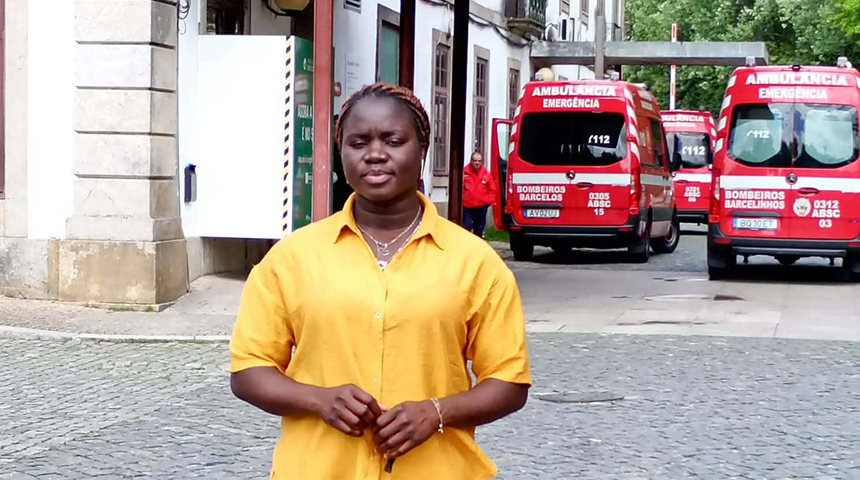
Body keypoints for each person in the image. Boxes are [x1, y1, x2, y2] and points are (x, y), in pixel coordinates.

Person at [229, 83, 531, 480]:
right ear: (341, 153)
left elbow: (509, 381)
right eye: (358, 142)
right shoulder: (292, 259)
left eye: (393, 140)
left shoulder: (474, 263)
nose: (374, 154)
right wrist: (319, 400)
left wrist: (437, 412)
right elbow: (249, 370)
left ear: (422, 150)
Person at [463, 151, 497, 238]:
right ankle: (466, 243)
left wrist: (488, 201)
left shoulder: (486, 175)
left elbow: (492, 190)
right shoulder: (464, 173)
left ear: (482, 162)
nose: (477, 163)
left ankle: (477, 245)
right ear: (471, 161)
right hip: (467, 207)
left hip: (481, 207)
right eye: (475, 161)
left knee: (478, 229)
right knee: (467, 226)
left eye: (479, 161)